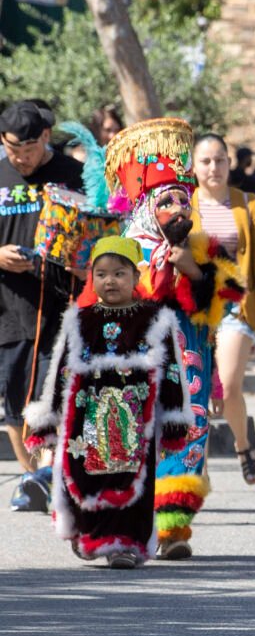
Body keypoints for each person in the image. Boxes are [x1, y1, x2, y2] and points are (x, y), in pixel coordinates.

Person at [104, 117, 235, 558]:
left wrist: (192, 269)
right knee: (129, 439)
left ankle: (173, 527)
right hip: (133, 363)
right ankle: (124, 533)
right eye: (168, 201)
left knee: (186, 433)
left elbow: (223, 296)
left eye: (184, 200)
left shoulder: (201, 248)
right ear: (146, 208)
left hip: (188, 365)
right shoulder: (123, 252)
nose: (179, 209)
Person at [23, 237, 192, 568]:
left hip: (135, 416)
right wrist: (47, 419)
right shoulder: (79, 319)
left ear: (135, 277)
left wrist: (173, 422)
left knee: (132, 481)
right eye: (101, 274)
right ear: (92, 278)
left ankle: (125, 544)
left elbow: (172, 371)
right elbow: (60, 371)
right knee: (87, 478)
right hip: (87, 414)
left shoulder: (156, 318)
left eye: (119, 273)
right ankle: (91, 536)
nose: (110, 281)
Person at [0, 100, 86, 513]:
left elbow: (96, 229)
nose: (21, 159)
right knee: (13, 398)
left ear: (46, 138)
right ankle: (31, 474)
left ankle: (48, 474)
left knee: (54, 395)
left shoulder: (72, 174)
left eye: (29, 151)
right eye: (14, 150)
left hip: (58, 301)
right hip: (6, 305)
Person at [188, 134, 255, 484]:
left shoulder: (250, 205)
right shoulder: (183, 205)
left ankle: (243, 445)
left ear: (230, 164)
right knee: (195, 391)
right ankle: (199, 470)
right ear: (194, 166)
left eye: (220, 160)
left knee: (226, 387)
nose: (214, 168)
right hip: (194, 312)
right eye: (206, 161)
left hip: (235, 311)